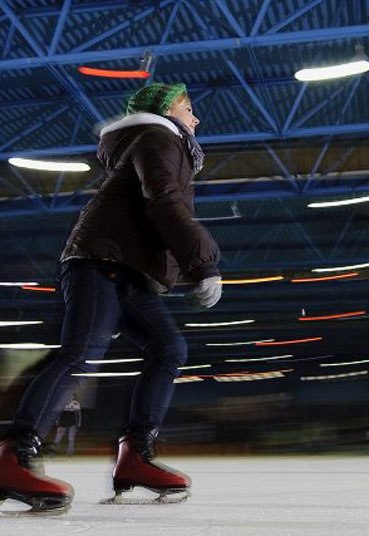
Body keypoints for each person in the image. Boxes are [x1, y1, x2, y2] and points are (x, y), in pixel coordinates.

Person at [0, 83, 221, 512]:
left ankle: (135, 457)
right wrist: (203, 262)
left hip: (126, 270)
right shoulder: (159, 137)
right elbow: (164, 200)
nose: (196, 119)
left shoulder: (159, 142)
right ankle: (13, 453)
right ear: (166, 112)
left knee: (167, 346)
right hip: (100, 260)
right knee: (81, 351)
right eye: (189, 109)